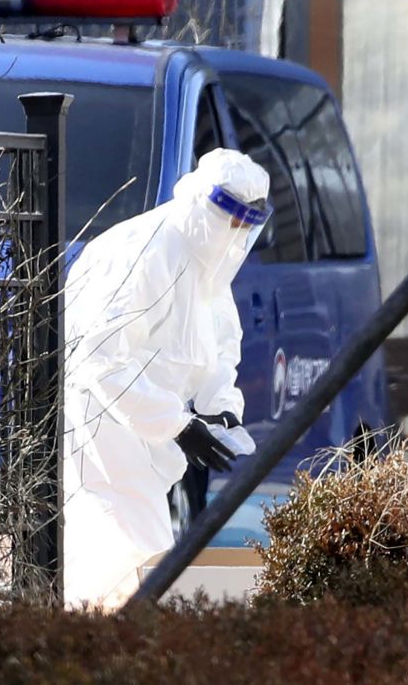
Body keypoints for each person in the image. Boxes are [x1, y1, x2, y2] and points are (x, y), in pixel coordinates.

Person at [61, 148, 269, 611]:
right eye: (228, 220)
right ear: (201, 204)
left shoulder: (207, 265)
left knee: (134, 562)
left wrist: (220, 407)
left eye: (244, 226)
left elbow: (219, 346)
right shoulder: (143, 251)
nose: (234, 236)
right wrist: (176, 424)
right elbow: (100, 359)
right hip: (97, 433)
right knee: (125, 555)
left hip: (145, 445)